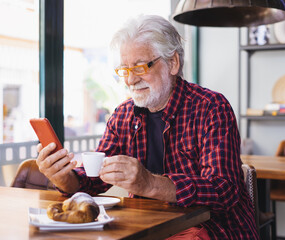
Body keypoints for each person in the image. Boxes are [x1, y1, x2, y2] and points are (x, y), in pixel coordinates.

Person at [36, 15, 259, 239]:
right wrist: (63, 177)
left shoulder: (211, 107)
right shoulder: (123, 115)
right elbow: (93, 180)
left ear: (173, 63)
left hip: (215, 229)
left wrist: (150, 183)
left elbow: (223, 191)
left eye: (140, 67)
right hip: (149, 228)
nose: (130, 79)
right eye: (125, 69)